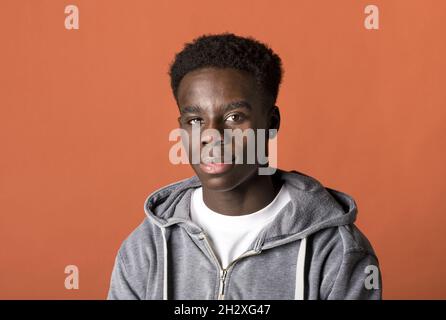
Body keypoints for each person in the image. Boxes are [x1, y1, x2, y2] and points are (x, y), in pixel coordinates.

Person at [107, 33, 382, 300]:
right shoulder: (146, 248)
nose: (211, 136)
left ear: (271, 123)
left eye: (234, 117)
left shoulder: (336, 250)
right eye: (194, 120)